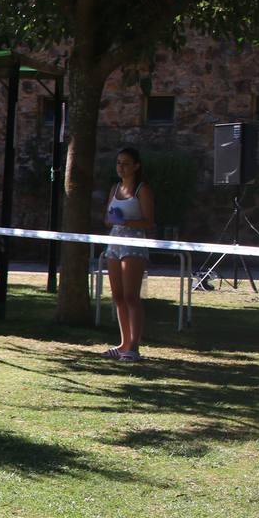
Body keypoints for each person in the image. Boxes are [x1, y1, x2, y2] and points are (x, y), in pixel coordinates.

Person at [102, 147, 156, 362]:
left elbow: (149, 221)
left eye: (125, 163)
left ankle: (134, 346)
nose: (121, 167)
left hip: (133, 243)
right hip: (114, 241)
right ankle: (123, 343)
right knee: (118, 296)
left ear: (136, 166)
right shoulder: (115, 188)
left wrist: (126, 221)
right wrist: (113, 219)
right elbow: (106, 218)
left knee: (131, 296)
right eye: (118, 163)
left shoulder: (142, 189)